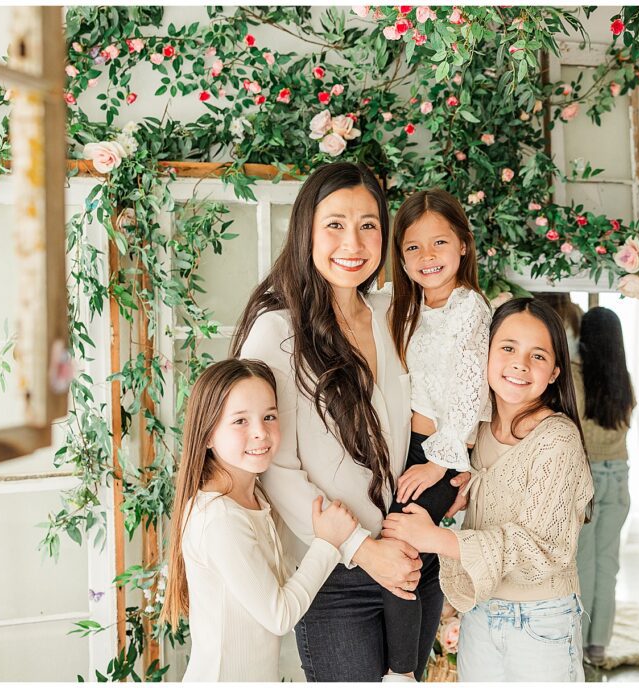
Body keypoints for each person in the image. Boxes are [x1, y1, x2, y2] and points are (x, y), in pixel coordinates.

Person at [231, 162, 470, 681]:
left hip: (414, 555)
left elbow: (451, 387)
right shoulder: (277, 331)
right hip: (336, 574)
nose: (353, 242)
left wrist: (460, 464)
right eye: (335, 224)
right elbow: (273, 467)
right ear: (306, 232)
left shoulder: (393, 313)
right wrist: (363, 549)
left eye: (368, 225)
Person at [380, 298, 594, 682]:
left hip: (541, 618)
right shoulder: (474, 432)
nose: (520, 364)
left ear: (555, 372)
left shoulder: (556, 439)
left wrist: (437, 538)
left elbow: (541, 548)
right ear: (486, 354)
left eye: (538, 356)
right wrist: (453, 506)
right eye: (508, 348)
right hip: (480, 609)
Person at [162, 358, 359, 681]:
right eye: (240, 421)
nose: (260, 433)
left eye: (269, 416)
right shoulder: (220, 519)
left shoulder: (256, 500)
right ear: (208, 435)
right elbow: (279, 615)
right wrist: (327, 544)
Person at [382, 188, 491, 681]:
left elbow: (471, 394)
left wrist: (440, 464)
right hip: (402, 450)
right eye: (413, 247)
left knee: (402, 549)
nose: (428, 257)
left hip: (438, 454)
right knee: (418, 562)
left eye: (439, 243)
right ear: (400, 255)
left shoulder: (470, 308)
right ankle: (411, 667)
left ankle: (403, 673)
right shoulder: (403, 307)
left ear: (463, 246)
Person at [573, 307, 636, 667]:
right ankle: (598, 646)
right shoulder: (623, 377)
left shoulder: (578, 376)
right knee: (608, 563)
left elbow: (576, 425)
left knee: (584, 562)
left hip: (590, 477)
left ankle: (578, 641)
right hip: (620, 475)